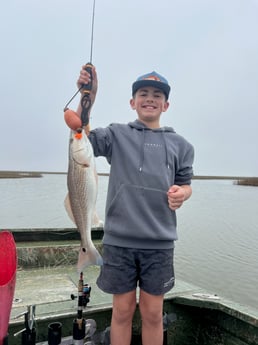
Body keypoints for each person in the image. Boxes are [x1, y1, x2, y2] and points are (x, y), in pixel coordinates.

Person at [76, 65, 194, 345]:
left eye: (157, 94)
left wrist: (184, 193)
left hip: (160, 244)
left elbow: (186, 182)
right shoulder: (116, 135)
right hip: (119, 242)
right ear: (133, 102)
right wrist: (87, 98)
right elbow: (83, 138)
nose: (150, 98)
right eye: (143, 93)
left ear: (166, 105)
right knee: (122, 311)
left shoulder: (181, 144)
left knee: (153, 314)